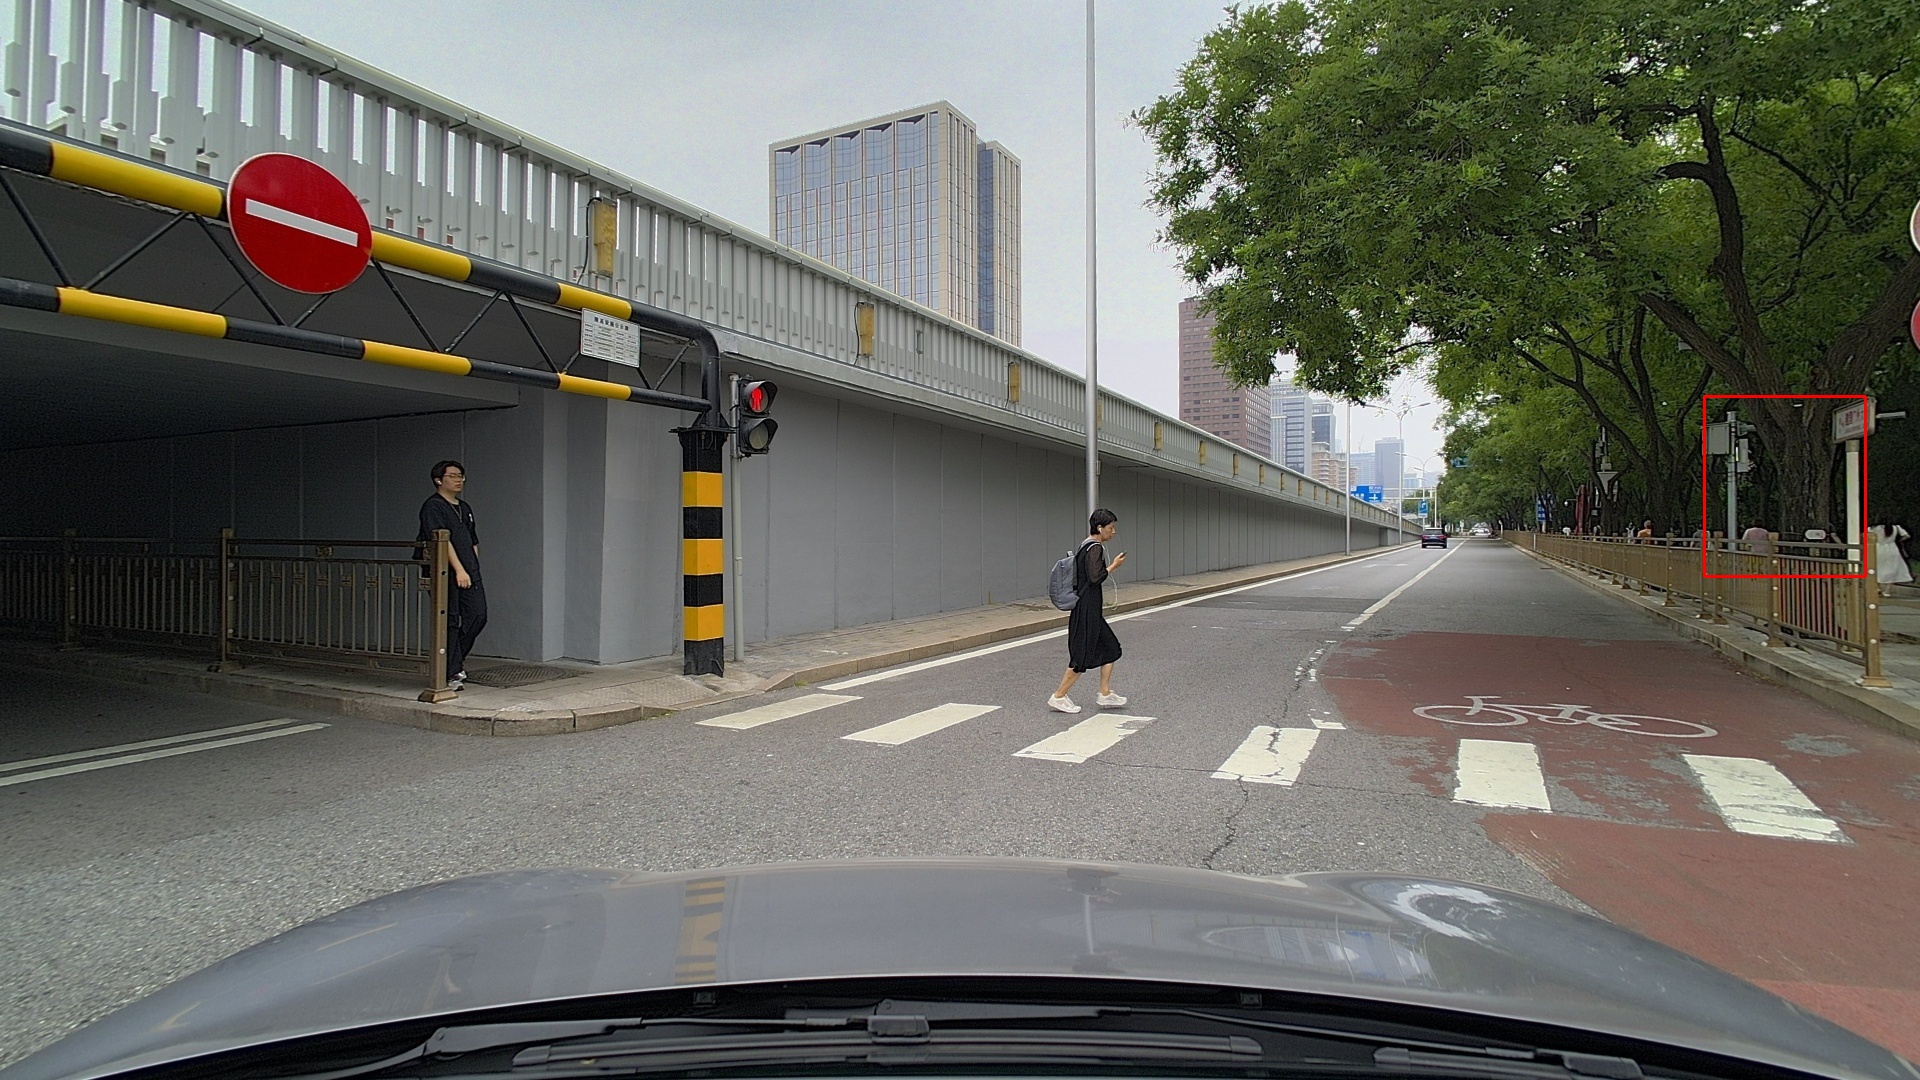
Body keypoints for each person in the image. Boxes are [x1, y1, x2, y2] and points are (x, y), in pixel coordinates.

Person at [1049, 509, 1127, 714]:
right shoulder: (1095, 548)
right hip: (1086, 609)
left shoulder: (1085, 545)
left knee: (1111, 648)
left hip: (1091, 609)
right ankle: (1058, 696)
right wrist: (1114, 566)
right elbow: (1095, 577)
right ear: (1100, 528)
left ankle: (1105, 693)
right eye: (1111, 528)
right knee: (1081, 656)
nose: (1113, 532)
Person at [417, 460, 486, 691]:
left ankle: (451, 663)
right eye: (453, 476)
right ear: (439, 480)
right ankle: (451, 671)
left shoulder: (464, 507)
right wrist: (459, 569)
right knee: (451, 621)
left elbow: (472, 540)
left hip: (468, 571)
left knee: (478, 616)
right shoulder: (433, 506)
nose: (459, 480)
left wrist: (473, 568)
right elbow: (442, 542)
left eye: (461, 476)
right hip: (444, 572)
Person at [1874, 520, 1913, 596]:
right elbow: (1907, 536)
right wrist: (1898, 540)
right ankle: (1887, 591)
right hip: (1892, 548)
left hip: (1878, 548)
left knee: (1877, 568)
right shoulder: (1896, 527)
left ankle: (1878, 587)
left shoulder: (1874, 528)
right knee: (1892, 569)